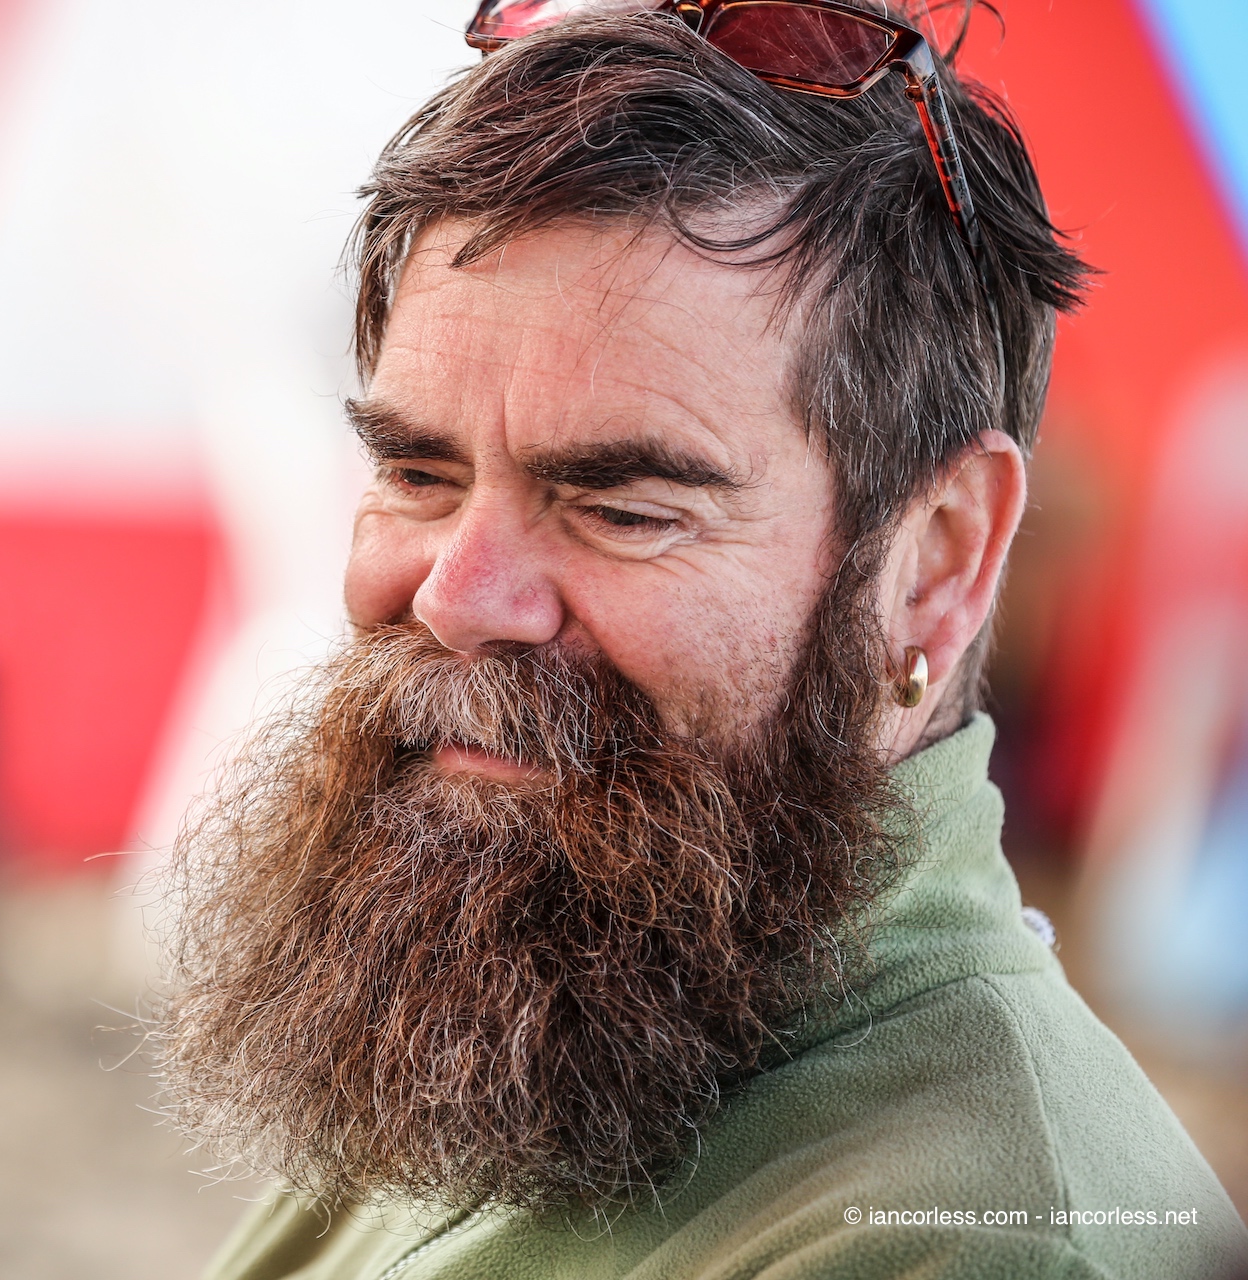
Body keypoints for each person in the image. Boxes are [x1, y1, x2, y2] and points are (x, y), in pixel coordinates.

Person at [151, 2, 1248, 1277]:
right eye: (417, 474)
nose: (458, 596)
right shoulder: (522, 1006)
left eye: (623, 508)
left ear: (936, 561)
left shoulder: (971, 1245)